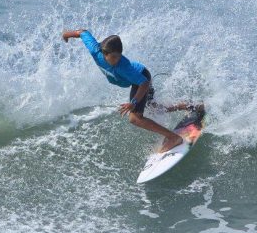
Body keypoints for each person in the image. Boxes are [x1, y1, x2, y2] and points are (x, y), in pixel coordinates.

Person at [62, 29, 197, 153]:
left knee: (135, 118)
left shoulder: (124, 67)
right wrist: (66, 34)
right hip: (137, 79)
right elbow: (83, 32)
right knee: (154, 108)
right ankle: (190, 105)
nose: (117, 60)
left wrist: (133, 102)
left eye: (119, 56)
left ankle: (174, 138)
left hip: (141, 79)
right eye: (113, 57)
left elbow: (144, 83)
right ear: (104, 53)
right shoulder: (95, 50)